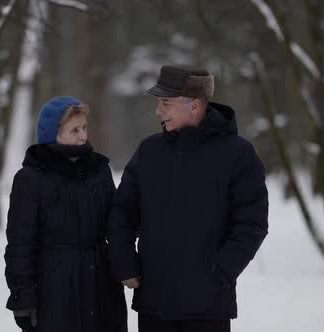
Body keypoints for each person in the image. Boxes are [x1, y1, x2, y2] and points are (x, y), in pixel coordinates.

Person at [108, 65, 269, 332]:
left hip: (208, 305)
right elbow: (122, 213)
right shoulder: (149, 152)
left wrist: (221, 271)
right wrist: (125, 263)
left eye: (165, 103)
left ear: (193, 105)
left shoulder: (238, 155)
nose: (158, 110)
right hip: (154, 302)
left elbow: (252, 223)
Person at [4, 96, 127, 332]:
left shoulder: (99, 171)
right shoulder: (30, 180)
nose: (83, 135)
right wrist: (23, 298)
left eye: (84, 128)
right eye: (74, 130)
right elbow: (20, 245)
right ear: (53, 134)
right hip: (54, 292)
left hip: (102, 287)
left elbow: (118, 224)